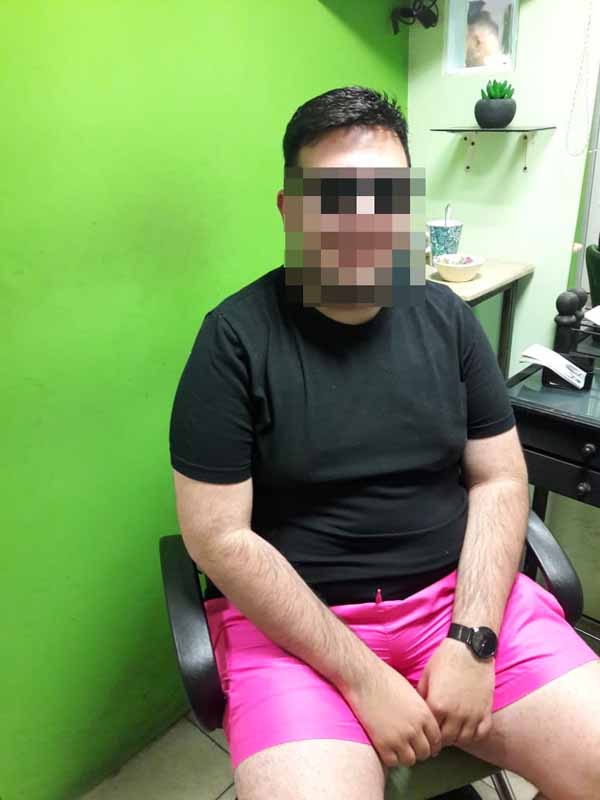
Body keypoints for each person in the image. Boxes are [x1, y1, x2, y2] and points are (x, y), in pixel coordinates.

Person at [169, 86, 600, 800]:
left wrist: (474, 640)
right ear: (290, 210)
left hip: (458, 604)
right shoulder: (233, 341)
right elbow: (217, 538)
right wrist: (362, 677)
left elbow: (499, 479)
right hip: (300, 636)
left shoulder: (447, 320)